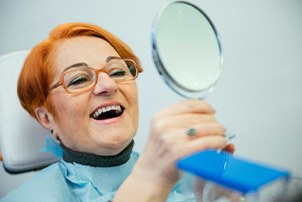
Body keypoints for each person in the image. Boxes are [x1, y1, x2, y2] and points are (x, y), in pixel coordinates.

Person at [1, 22, 233, 202]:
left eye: (118, 72)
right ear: (46, 117)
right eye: (79, 79)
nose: (108, 85)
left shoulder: (188, 177)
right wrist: (150, 180)